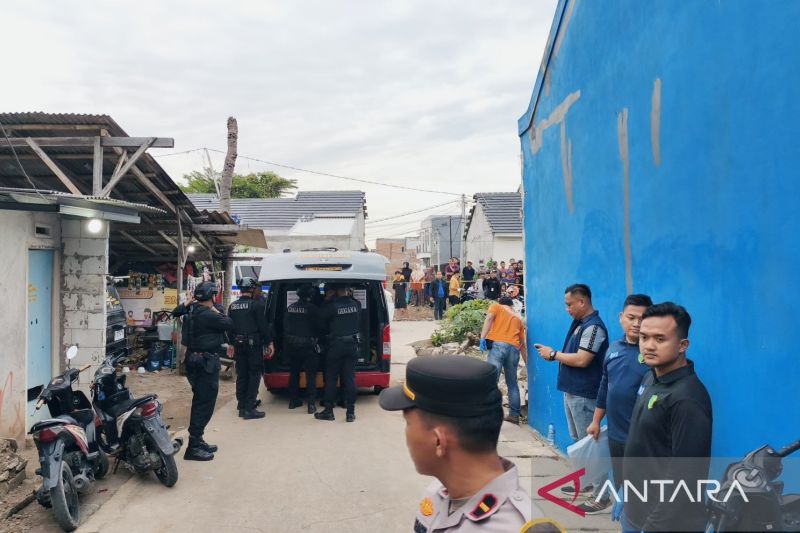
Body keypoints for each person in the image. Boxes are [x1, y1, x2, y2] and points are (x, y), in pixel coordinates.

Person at [378, 355, 553, 532]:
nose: (406, 433)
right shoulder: (439, 493)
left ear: (438, 441)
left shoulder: (519, 527)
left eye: (408, 423)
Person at [534, 284, 609, 504]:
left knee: (591, 445)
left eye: (569, 304)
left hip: (585, 394)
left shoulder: (594, 328)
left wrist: (554, 354)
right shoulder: (580, 324)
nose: (566, 309)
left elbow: (583, 359)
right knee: (580, 443)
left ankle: (601, 495)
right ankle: (585, 483)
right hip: (572, 391)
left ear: (582, 302)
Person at [581, 294, 653, 514]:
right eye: (631, 317)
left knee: (644, 491)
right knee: (623, 485)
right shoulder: (613, 349)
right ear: (621, 317)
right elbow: (605, 386)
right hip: (616, 435)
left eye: (643, 318)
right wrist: (595, 421)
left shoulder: (652, 354)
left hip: (643, 440)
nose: (637, 323)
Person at [174, 281, 234, 461]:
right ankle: (193, 446)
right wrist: (216, 310)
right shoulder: (210, 315)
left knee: (200, 400)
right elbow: (229, 323)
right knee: (204, 403)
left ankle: (198, 440)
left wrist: (188, 302)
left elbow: (175, 312)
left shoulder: (191, 311)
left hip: (193, 360)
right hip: (205, 363)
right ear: (213, 296)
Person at [315, 283, 362, 423]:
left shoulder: (331, 306)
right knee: (349, 379)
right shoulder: (356, 304)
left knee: (331, 378)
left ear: (334, 291)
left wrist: (328, 299)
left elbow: (321, 320)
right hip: (352, 345)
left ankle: (328, 411)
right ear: (347, 290)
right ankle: (350, 412)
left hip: (336, 345)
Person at [228, 277, 273, 420]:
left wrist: (230, 344)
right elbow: (263, 327)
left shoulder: (232, 306)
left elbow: (229, 327)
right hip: (253, 346)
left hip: (238, 345)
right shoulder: (256, 306)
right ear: (252, 289)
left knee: (242, 374)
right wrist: (270, 342)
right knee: (254, 375)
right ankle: (250, 408)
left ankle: (242, 405)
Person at [480, 296, 527, 424]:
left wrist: (482, 337)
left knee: (491, 381)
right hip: (514, 349)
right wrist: (527, 363)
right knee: (512, 383)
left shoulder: (496, 307)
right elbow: (523, 344)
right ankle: (514, 415)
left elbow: (489, 318)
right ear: (511, 305)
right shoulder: (518, 318)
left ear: (501, 303)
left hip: (498, 346)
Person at [285, 284, 323, 414]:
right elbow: (320, 327)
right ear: (311, 296)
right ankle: (311, 405)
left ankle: (292, 401)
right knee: (310, 376)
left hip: (292, 346)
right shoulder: (313, 309)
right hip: (308, 346)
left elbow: (285, 326)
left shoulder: (290, 308)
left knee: (294, 373)